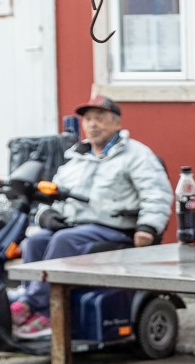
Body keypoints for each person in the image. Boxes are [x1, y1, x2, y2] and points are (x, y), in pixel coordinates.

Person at [11, 96, 170, 337]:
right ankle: (33, 307)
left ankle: (39, 309)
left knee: (64, 240)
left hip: (115, 229)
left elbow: (156, 193)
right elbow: (50, 195)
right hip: (75, 227)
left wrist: (148, 227)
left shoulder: (136, 155)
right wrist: (46, 215)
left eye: (100, 118)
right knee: (35, 240)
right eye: (88, 119)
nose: (92, 125)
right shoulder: (76, 158)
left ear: (117, 124)